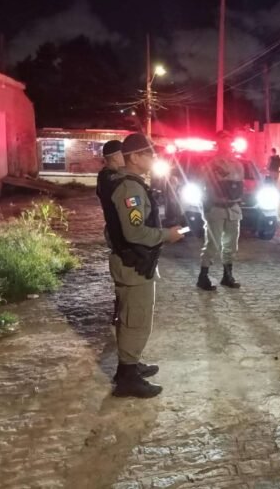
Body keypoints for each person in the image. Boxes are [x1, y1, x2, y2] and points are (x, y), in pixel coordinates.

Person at [102, 133, 185, 398]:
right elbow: (134, 232)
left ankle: (130, 365)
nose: (154, 158)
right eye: (150, 154)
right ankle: (127, 378)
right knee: (135, 320)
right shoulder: (130, 188)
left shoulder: (130, 183)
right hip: (132, 264)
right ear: (135, 157)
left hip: (135, 262)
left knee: (133, 317)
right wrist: (167, 235)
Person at [197, 131, 245, 291]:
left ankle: (227, 276)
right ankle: (203, 276)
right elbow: (202, 184)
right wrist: (206, 203)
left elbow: (239, 185)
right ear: (218, 143)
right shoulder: (210, 164)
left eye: (229, 141)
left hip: (233, 208)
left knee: (231, 245)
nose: (227, 145)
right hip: (216, 208)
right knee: (213, 244)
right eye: (223, 141)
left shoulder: (238, 164)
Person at [96, 140, 124, 326]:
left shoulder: (110, 176)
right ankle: (119, 310)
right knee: (122, 273)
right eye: (123, 154)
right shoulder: (108, 177)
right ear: (115, 157)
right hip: (117, 231)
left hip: (118, 229)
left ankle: (121, 308)